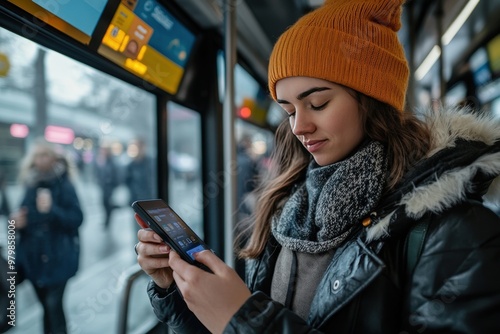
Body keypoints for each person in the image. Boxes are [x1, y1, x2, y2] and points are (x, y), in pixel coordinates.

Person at [134, 0, 500, 332]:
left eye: (319, 103)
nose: (299, 127)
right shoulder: (285, 206)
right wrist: (180, 294)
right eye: (289, 110)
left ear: (372, 99)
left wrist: (243, 319)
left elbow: (245, 321)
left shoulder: (460, 233)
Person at [10, 139, 83, 334]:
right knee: (46, 307)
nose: (40, 160)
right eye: (36, 156)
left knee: (53, 307)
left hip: (59, 258)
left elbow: (77, 218)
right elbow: (21, 215)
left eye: (44, 155)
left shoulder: (64, 184)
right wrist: (16, 222)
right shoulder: (30, 183)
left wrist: (52, 210)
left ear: (53, 158)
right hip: (34, 259)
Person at [94, 144, 119, 229]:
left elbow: (114, 175)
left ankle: (108, 220)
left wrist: (111, 184)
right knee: (104, 203)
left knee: (107, 203)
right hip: (104, 186)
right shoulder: (102, 160)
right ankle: (107, 219)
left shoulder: (111, 162)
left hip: (109, 187)